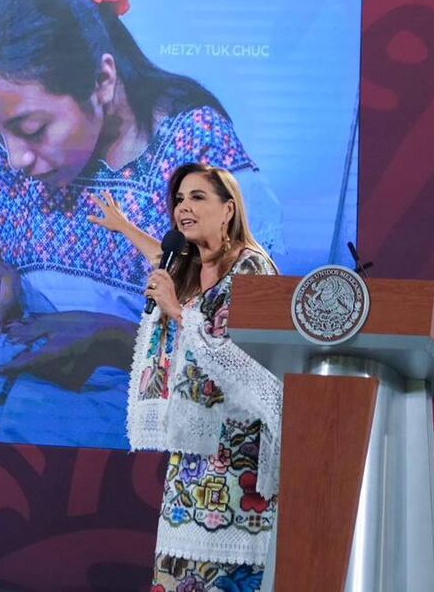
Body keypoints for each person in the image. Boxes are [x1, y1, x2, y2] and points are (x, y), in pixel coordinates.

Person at [0, 0, 283, 447]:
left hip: (141, 443)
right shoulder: (9, 152)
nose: (13, 158)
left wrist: (114, 341)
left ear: (102, 80)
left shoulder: (193, 156)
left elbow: (247, 349)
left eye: (31, 129)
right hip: (15, 426)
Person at [127, 162, 282, 592]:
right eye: (179, 199)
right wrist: (125, 228)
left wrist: (177, 311)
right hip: (191, 457)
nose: (183, 208)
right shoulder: (188, 268)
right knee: (177, 573)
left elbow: (239, 359)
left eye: (197, 197)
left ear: (228, 209)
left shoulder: (251, 268)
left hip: (237, 456)